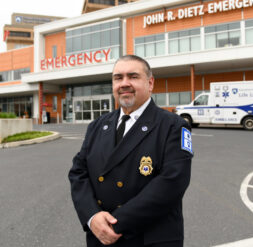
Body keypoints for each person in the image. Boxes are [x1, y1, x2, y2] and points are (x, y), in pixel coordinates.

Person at [68, 55, 193, 247]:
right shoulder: (97, 126)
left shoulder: (173, 126)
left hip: (149, 238)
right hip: (101, 236)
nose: (124, 83)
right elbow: (78, 172)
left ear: (150, 83)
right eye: (118, 78)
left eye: (133, 76)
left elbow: (172, 182)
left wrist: (116, 224)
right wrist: (92, 217)